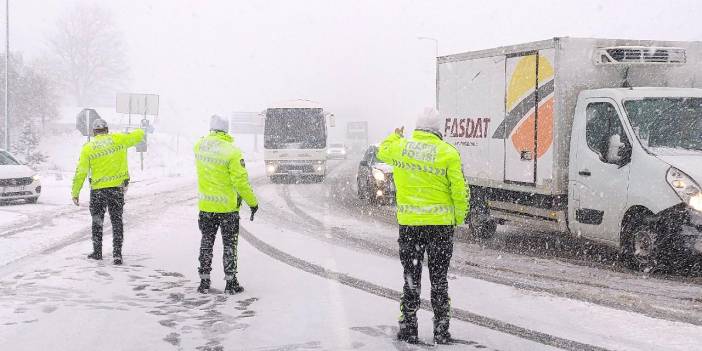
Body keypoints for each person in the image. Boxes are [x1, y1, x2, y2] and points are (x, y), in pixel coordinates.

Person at [377, 108, 469, 345]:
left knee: (411, 278)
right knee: (439, 279)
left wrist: (395, 135)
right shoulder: (448, 152)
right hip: (440, 228)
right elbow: (459, 190)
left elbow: (382, 151)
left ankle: (409, 327)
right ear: (438, 129)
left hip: (410, 227)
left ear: (417, 127)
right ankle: (441, 329)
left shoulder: (401, 148)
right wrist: (457, 218)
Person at [194, 115, 258, 295]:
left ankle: (204, 281)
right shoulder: (232, 151)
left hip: (206, 207)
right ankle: (231, 283)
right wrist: (252, 203)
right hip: (228, 209)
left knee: (206, 242)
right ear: (226, 129)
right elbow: (241, 182)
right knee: (229, 245)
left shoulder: (199, 146)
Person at [72, 119, 145, 265]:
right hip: (116, 190)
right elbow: (138, 135)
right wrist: (141, 128)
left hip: (98, 191)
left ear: (94, 132)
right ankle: (117, 254)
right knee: (117, 221)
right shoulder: (119, 139)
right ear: (107, 129)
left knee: (97, 221)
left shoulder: (88, 147)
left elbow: (81, 171)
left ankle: (97, 252)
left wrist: (75, 192)